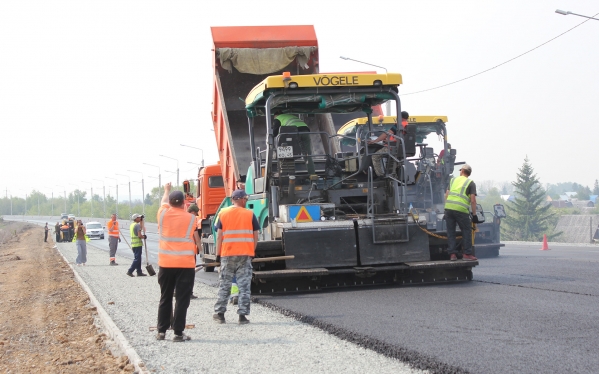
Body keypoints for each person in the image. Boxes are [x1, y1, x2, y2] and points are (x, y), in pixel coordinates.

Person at [155, 183, 196, 342]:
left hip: (166, 263)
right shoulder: (192, 219)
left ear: (170, 203)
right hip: (185, 264)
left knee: (165, 297)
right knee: (182, 299)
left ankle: (161, 331)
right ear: (184, 203)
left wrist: (166, 190)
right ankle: (178, 333)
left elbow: (163, 202)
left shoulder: (162, 215)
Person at [213, 189, 259, 325]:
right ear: (240, 199)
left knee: (225, 285)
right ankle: (243, 316)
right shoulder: (250, 214)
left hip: (227, 254)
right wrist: (252, 251)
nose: (246, 201)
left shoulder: (223, 213)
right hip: (245, 255)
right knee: (244, 286)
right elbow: (255, 235)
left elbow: (219, 235)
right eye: (245, 199)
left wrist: (217, 254)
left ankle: (220, 314)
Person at [444, 164, 478, 261]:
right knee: (466, 231)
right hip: (461, 210)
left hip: (449, 209)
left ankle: (452, 255)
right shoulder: (471, 183)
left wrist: (446, 209)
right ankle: (467, 254)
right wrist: (474, 215)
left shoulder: (453, 180)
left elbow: (446, 195)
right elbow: (473, 200)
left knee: (451, 232)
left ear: (462, 171)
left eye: (460, 170)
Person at [368, 111, 409, 179]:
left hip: (393, 147)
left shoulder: (399, 125)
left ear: (400, 117)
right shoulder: (407, 125)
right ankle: (395, 176)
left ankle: (380, 175)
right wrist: (390, 140)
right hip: (402, 149)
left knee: (375, 156)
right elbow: (402, 138)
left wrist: (375, 141)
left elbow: (386, 134)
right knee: (394, 162)